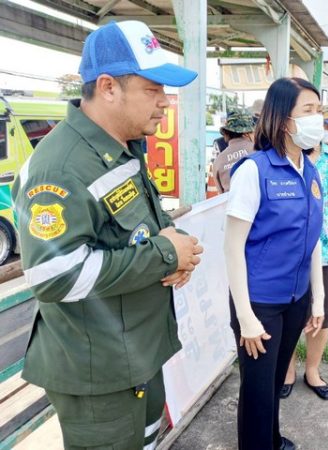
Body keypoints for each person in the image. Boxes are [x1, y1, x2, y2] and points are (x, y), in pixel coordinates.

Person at [11, 21, 203, 449]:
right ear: (108, 87)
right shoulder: (60, 167)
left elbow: (139, 231)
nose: (164, 104)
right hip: (100, 374)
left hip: (135, 354)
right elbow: (52, 275)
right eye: (153, 90)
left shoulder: (123, 147)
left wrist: (176, 247)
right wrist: (163, 257)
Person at [224, 77, 325, 450]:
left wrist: (317, 297)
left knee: (276, 379)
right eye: (309, 111)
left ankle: (272, 440)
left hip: (296, 299)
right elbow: (232, 246)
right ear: (284, 120)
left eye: (321, 110)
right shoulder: (255, 170)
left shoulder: (310, 172)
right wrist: (246, 316)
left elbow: (312, 239)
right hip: (260, 303)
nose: (319, 119)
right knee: (258, 390)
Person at [282, 121, 328, 401]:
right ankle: (287, 371)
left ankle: (312, 371)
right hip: (291, 254)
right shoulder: (285, 157)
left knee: (321, 317)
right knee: (290, 315)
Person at [212, 111, 255, 193]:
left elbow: (221, 194)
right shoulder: (258, 151)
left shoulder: (218, 161)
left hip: (230, 205)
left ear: (227, 134)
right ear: (246, 133)